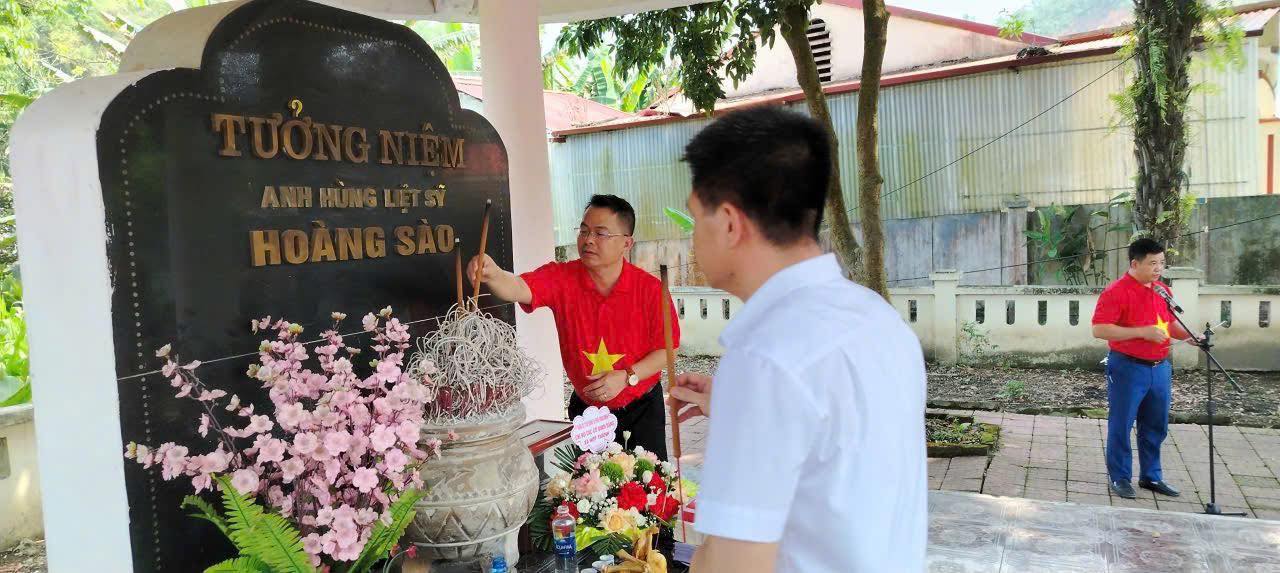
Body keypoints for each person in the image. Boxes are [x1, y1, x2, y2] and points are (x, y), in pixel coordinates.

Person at [667, 107, 928, 572]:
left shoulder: (765, 356)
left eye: (695, 218)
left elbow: (734, 564)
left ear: (729, 223)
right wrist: (737, 404)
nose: (693, 239)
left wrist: (749, 395)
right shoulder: (877, 318)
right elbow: (837, 451)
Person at [468, 194, 679, 459]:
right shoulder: (563, 278)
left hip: (641, 409)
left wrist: (627, 376)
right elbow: (519, 287)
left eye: (600, 233)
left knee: (648, 481)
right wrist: (493, 274)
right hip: (590, 413)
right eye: (584, 230)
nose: (588, 240)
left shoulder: (649, 290)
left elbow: (668, 349)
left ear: (627, 243)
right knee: (589, 482)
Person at [1092, 238, 1197, 500]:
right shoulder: (1116, 292)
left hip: (1160, 368)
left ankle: (1151, 475)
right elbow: (1099, 329)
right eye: (1152, 263)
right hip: (1128, 367)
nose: (1158, 268)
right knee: (1122, 423)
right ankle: (1120, 477)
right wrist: (1142, 332)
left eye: (1161, 262)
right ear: (1135, 263)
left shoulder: (1162, 290)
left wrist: (1191, 336)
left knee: (1156, 424)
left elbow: (1169, 324)